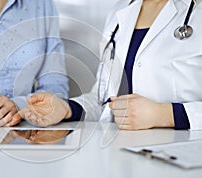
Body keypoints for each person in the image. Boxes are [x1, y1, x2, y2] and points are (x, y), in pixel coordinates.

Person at [12, 0, 202, 130]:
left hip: (181, 154)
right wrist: (67, 109)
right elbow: (102, 99)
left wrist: (164, 114)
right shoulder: (120, 13)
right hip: (121, 154)